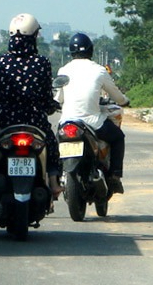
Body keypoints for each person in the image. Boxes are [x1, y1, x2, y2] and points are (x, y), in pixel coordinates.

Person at [0, 12, 61, 231]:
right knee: (53, 146)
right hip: (35, 124)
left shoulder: (2, 61)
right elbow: (47, 100)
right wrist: (50, 107)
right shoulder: (43, 63)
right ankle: (55, 184)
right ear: (34, 37)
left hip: (3, 123)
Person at [55, 31, 129, 192]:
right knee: (118, 137)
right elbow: (115, 94)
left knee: (54, 146)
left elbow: (59, 97)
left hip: (67, 122)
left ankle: (53, 179)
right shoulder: (99, 70)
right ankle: (115, 176)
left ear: (71, 51)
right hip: (92, 122)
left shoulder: (64, 70)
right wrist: (124, 101)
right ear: (90, 50)